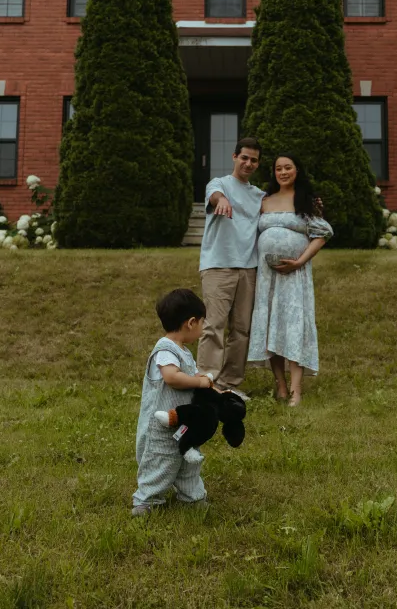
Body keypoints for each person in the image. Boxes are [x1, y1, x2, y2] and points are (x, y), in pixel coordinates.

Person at [247, 154, 333, 407]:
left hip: (295, 275)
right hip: (267, 276)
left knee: (292, 327)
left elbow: (323, 233)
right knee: (270, 325)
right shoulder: (264, 201)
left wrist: (300, 261)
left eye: (288, 168)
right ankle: (281, 387)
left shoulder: (306, 201)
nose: (283, 172)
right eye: (278, 168)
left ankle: (296, 390)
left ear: (297, 170)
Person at [132, 288, 217, 516]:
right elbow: (171, 377)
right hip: (162, 427)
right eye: (202, 323)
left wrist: (206, 382)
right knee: (160, 462)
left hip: (184, 425)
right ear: (191, 323)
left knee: (189, 463)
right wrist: (197, 383)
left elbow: (190, 376)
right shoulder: (165, 350)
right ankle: (147, 500)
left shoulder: (184, 351)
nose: (202, 328)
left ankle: (192, 497)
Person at [198, 137, 265, 398]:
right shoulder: (220, 184)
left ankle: (229, 384)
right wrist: (221, 201)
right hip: (218, 266)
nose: (248, 163)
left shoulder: (259, 195)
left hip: (248, 268)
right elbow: (214, 196)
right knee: (213, 326)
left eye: (254, 160)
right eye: (244, 157)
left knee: (241, 329)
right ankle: (207, 384)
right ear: (235, 157)